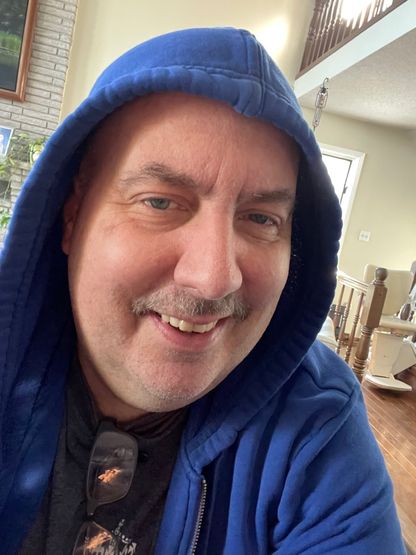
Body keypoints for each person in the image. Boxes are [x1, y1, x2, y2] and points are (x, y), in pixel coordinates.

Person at [0, 28, 405, 555]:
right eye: (160, 202)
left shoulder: (316, 427)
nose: (214, 277)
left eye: (260, 218)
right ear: (72, 216)